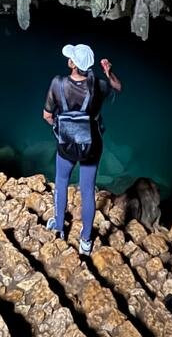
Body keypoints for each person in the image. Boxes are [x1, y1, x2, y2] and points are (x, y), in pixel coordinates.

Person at [42, 42, 122, 255]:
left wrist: (61, 128)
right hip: (92, 145)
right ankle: (85, 240)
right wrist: (109, 72)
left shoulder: (58, 84)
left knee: (61, 183)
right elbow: (117, 87)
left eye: (71, 58)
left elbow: (47, 116)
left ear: (73, 64)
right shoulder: (98, 85)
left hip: (66, 144)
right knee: (87, 191)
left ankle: (59, 227)